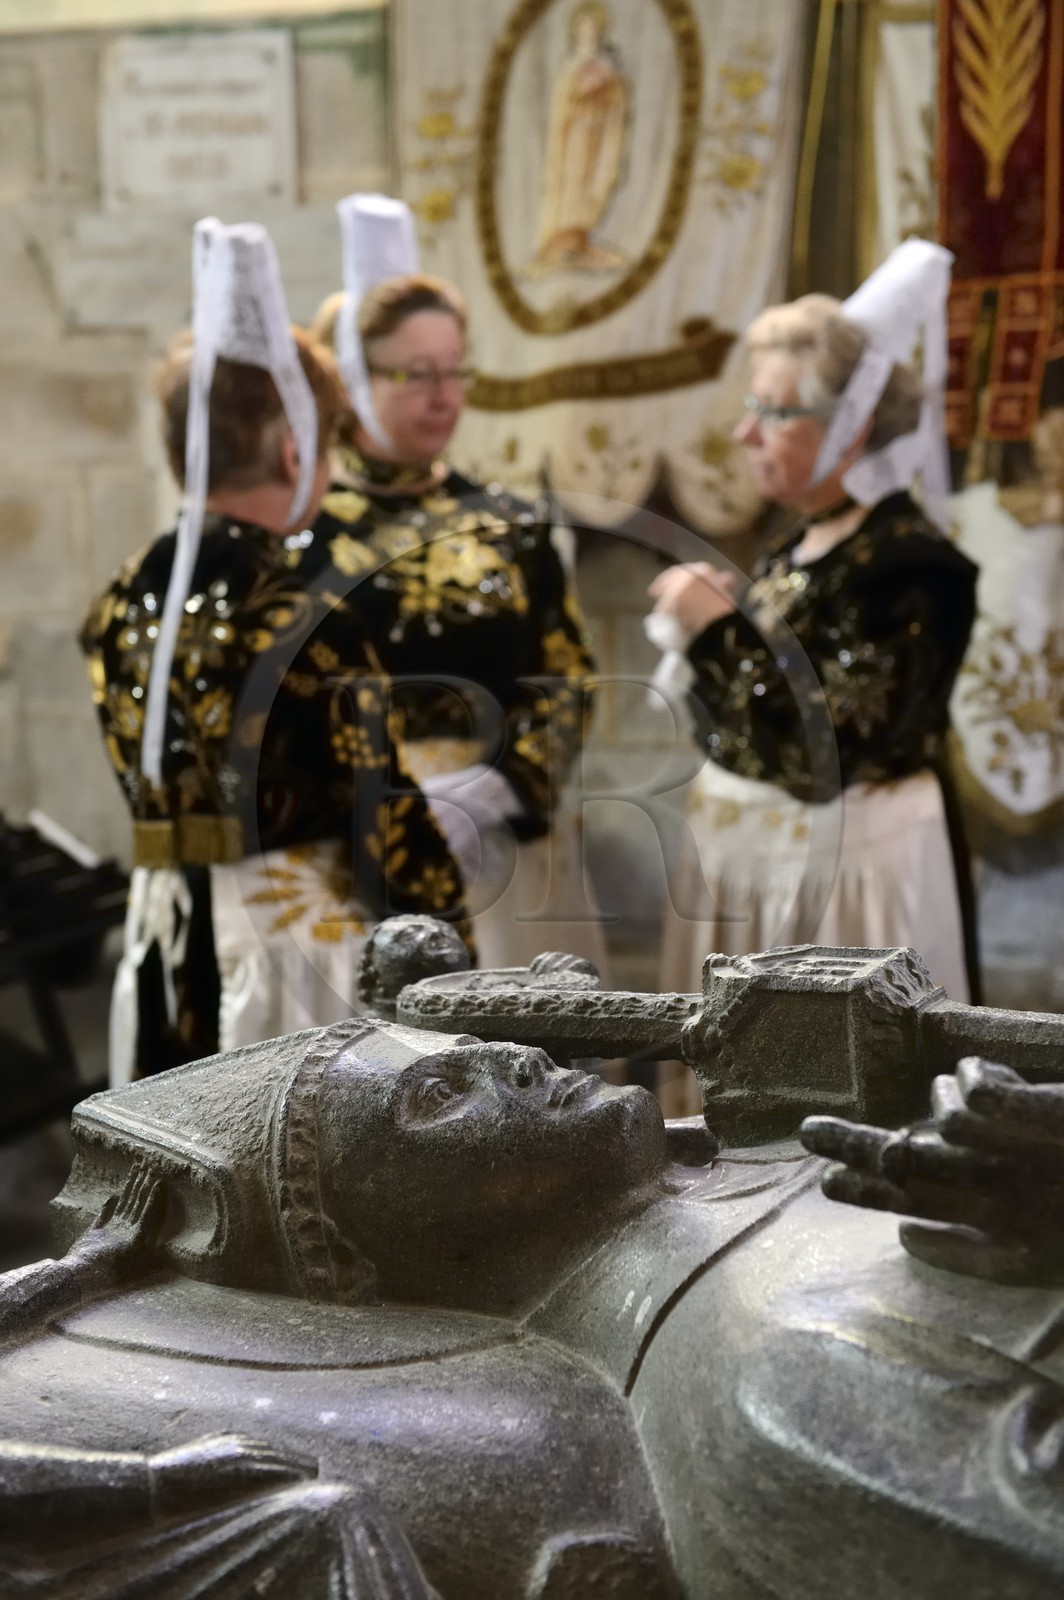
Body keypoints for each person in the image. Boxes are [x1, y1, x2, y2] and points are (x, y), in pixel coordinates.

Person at [13, 1005, 1064, 1598]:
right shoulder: (775, 1366)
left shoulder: (775, 1166)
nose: (515, 1056)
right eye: (436, 1097)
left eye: (468, 1050)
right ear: (378, 1258)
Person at [81, 221, 468, 1083]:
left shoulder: (119, 596)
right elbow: (384, 815)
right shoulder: (305, 613)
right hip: (287, 948)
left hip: (165, 929)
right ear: (297, 449)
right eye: (329, 445)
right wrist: (451, 945)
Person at [647, 243, 979, 1112]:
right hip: (751, 870)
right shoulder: (798, 541)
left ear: (851, 426)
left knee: (833, 1108)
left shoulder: (913, 567)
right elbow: (731, 720)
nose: (745, 431)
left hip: (847, 889)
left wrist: (717, 633)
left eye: (774, 410)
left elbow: (819, 753)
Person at [308, 195, 606, 974]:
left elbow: (569, 672)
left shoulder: (509, 522)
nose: (444, 396)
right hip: (360, 851)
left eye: (455, 372)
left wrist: (504, 785)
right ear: (353, 378)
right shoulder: (306, 535)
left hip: (507, 843)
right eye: (416, 375)